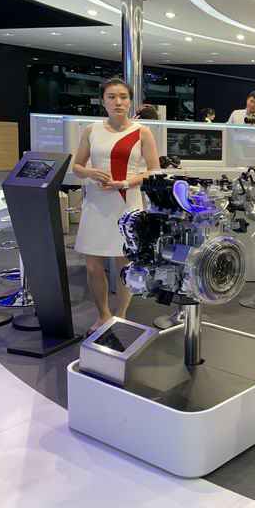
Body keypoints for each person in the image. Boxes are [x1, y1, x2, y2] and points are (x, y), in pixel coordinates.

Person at [72, 78, 161, 336]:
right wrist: (90, 172)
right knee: (93, 266)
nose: (118, 102)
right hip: (96, 203)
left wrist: (127, 182)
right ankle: (102, 314)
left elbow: (154, 170)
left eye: (123, 97)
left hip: (127, 203)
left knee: (125, 264)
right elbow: (76, 167)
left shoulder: (142, 132)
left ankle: (121, 315)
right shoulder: (91, 130)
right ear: (103, 101)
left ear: (130, 101)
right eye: (112, 97)